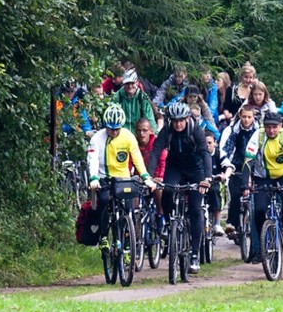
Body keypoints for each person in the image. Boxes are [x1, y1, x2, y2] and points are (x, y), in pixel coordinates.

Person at [148, 101, 212, 274]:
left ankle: (195, 254)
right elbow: (155, 151)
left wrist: (206, 178)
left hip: (195, 169)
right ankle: (170, 226)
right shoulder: (167, 130)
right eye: (174, 120)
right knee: (167, 191)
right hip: (174, 167)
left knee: (195, 208)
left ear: (187, 118)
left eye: (181, 120)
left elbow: (205, 153)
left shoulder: (196, 130)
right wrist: (148, 177)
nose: (178, 124)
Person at [87, 105, 157, 250]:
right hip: (103, 177)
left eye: (117, 128)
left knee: (129, 206)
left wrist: (146, 177)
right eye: (111, 128)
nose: (114, 132)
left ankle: (126, 239)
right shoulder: (97, 138)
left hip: (123, 178)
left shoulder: (128, 136)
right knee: (104, 201)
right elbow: (92, 158)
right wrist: (93, 178)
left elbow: (136, 157)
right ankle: (104, 236)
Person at [239, 111, 283, 261]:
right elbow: (247, 162)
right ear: (263, 126)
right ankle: (261, 244)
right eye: (268, 127)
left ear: (280, 126)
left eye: (274, 127)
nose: (271, 130)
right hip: (263, 178)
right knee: (259, 209)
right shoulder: (258, 136)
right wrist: (245, 184)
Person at [220, 105, 258, 238]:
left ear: (253, 117)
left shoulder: (259, 131)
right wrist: (228, 166)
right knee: (236, 194)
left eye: (249, 117)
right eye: (244, 117)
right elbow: (227, 148)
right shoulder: (233, 131)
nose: (246, 120)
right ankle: (232, 223)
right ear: (240, 116)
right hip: (237, 166)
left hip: (255, 167)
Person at [205, 132, 232, 236]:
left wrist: (225, 175)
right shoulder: (198, 153)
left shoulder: (219, 153)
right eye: (205, 143)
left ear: (215, 143)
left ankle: (217, 223)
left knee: (216, 190)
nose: (207, 145)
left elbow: (228, 166)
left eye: (210, 142)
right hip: (202, 182)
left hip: (215, 182)